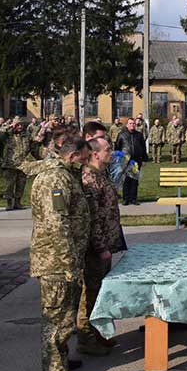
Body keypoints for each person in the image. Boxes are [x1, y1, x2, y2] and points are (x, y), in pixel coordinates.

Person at [30, 134, 90, 371]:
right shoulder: (55, 178)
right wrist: (69, 262)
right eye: (84, 158)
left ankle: (60, 359)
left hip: (64, 259)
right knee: (57, 318)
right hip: (55, 261)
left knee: (66, 315)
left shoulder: (65, 174)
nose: (86, 163)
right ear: (71, 155)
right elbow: (57, 224)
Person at [77, 136, 127, 356]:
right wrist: (100, 247)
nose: (111, 152)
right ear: (95, 153)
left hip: (106, 242)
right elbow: (93, 217)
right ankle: (86, 339)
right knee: (90, 293)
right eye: (108, 149)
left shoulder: (101, 174)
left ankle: (98, 334)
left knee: (99, 293)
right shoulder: (89, 177)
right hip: (95, 248)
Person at [115, 117, 147, 205]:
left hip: (136, 161)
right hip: (125, 161)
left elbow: (143, 147)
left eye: (133, 123)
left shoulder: (139, 135)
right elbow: (117, 147)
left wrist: (144, 159)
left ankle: (133, 198)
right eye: (130, 123)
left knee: (134, 180)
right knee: (126, 180)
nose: (132, 125)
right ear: (127, 125)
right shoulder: (121, 135)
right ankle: (126, 199)